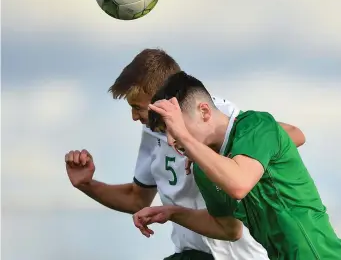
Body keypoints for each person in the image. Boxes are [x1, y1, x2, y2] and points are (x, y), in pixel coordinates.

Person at [65, 49, 305, 260]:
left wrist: (208, 150)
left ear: (164, 97)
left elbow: (293, 135)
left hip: (239, 253)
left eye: (137, 107)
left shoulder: (211, 114)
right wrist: (87, 184)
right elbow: (137, 199)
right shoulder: (153, 133)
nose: (134, 117)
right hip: (190, 253)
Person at [134, 71, 341, 260]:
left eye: (175, 127)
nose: (171, 140)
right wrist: (172, 213)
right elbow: (228, 229)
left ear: (204, 112)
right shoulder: (205, 169)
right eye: (166, 131)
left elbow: (239, 183)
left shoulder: (257, 126)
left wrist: (187, 139)